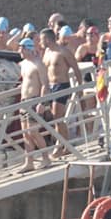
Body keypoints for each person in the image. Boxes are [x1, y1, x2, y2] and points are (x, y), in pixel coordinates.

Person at [41, 28, 82, 157]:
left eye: (42, 40)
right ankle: (64, 145)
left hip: (61, 85)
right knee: (55, 119)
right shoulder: (46, 52)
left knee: (58, 118)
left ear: (47, 39)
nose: (40, 42)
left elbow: (76, 68)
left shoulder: (63, 52)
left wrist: (79, 87)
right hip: (50, 87)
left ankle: (61, 146)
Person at [17, 38, 51, 173]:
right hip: (24, 101)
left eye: (21, 48)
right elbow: (26, 82)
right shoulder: (24, 64)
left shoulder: (38, 64)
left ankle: (45, 157)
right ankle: (29, 162)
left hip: (34, 100)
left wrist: (42, 102)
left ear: (27, 49)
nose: (19, 51)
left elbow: (45, 85)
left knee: (33, 131)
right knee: (26, 133)